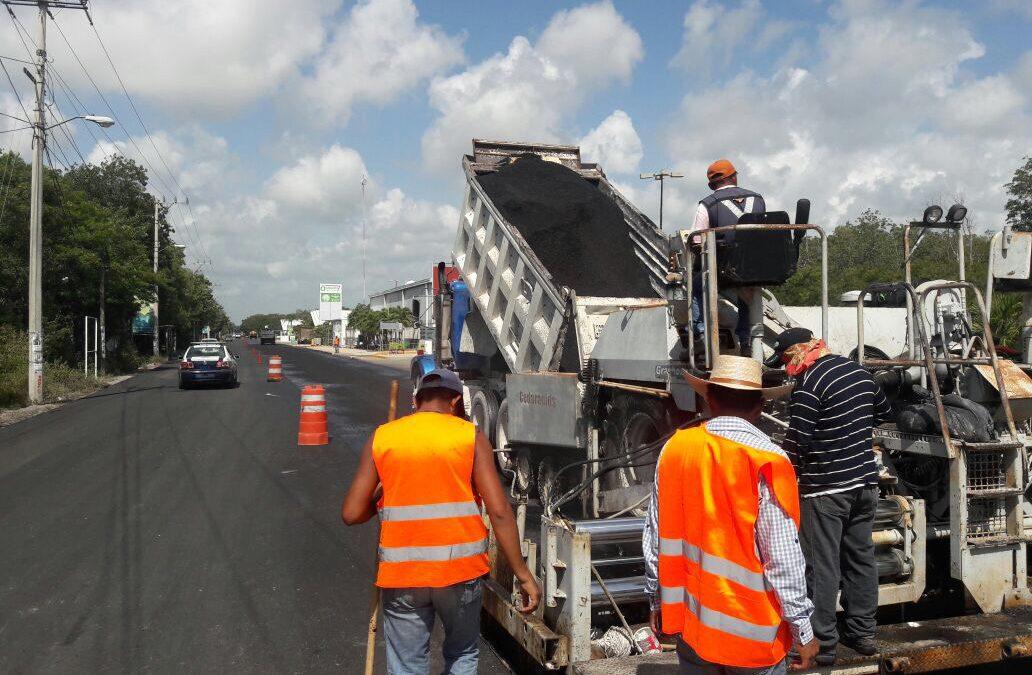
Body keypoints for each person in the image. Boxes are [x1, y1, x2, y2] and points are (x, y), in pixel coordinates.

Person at [342, 368, 541, 675]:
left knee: (407, 666)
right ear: (456, 402)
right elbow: (500, 511)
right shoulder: (469, 437)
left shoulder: (383, 437)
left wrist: (382, 493)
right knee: (461, 654)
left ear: (415, 400)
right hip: (459, 574)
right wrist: (522, 573)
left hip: (403, 575)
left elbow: (352, 513)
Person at [643, 355, 818, 674]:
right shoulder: (769, 459)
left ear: (707, 398)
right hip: (752, 638)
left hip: (691, 626)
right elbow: (781, 558)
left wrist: (656, 599)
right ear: (760, 406)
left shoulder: (676, 449)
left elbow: (656, 536)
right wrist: (803, 631)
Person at [770, 328, 893, 665]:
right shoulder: (859, 372)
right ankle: (863, 634)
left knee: (822, 566)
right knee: (861, 558)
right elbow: (883, 413)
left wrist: (777, 474)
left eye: (783, 360)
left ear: (795, 353)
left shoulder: (809, 384)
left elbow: (799, 439)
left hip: (826, 489)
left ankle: (822, 644)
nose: (784, 369)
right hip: (865, 484)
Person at [689, 159, 766, 353]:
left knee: (697, 286)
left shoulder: (707, 204)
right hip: (757, 268)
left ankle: (701, 335)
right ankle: (746, 341)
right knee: (747, 290)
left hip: (724, 269)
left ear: (710, 184)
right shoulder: (758, 200)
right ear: (735, 177)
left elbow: (696, 240)